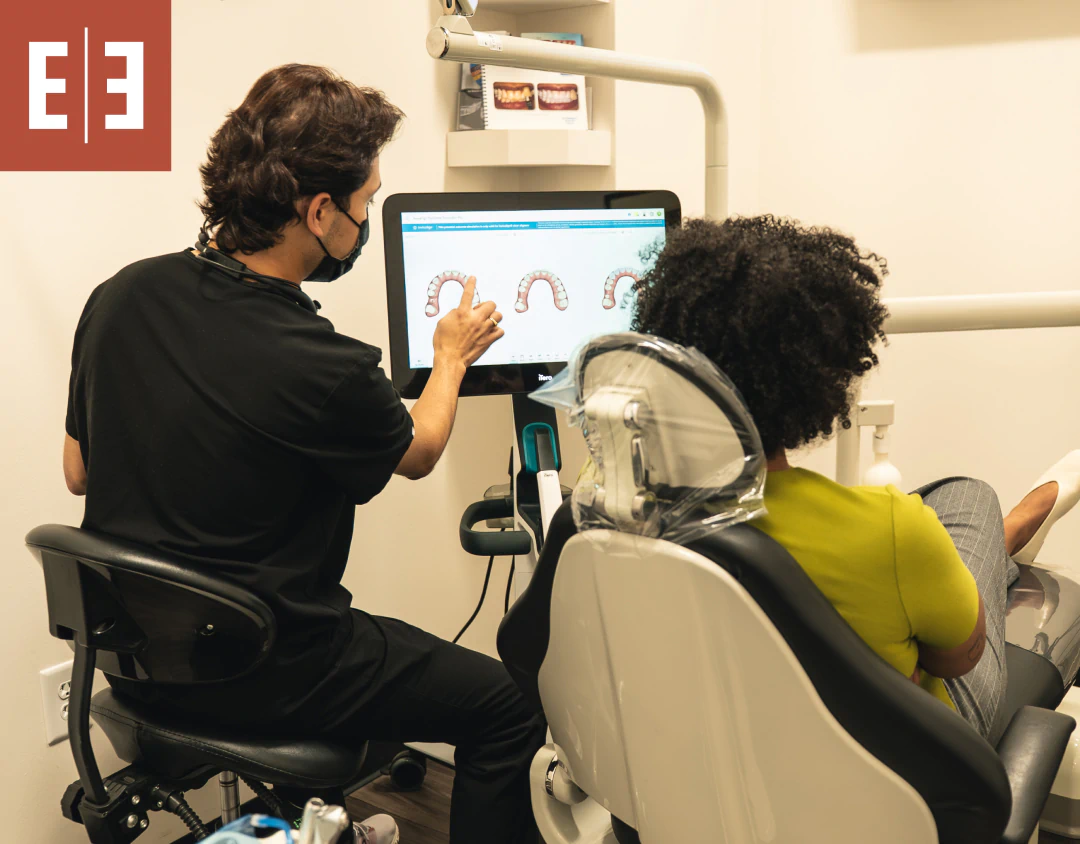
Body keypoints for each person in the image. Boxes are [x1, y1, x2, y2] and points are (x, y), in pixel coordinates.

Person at [62, 64, 546, 844]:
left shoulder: (122, 294)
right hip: (270, 670)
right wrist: (451, 354)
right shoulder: (321, 363)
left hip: (134, 664)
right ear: (319, 212)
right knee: (509, 706)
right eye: (366, 204)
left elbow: (80, 470)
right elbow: (419, 450)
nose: (366, 218)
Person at [628, 215, 1080, 744]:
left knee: (962, 494)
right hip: (900, 789)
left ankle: (985, 550)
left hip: (688, 792)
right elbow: (957, 660)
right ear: (821, 374)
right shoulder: (888, 529)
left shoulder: (617, 509)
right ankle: (998, 544)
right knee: (967, 507)